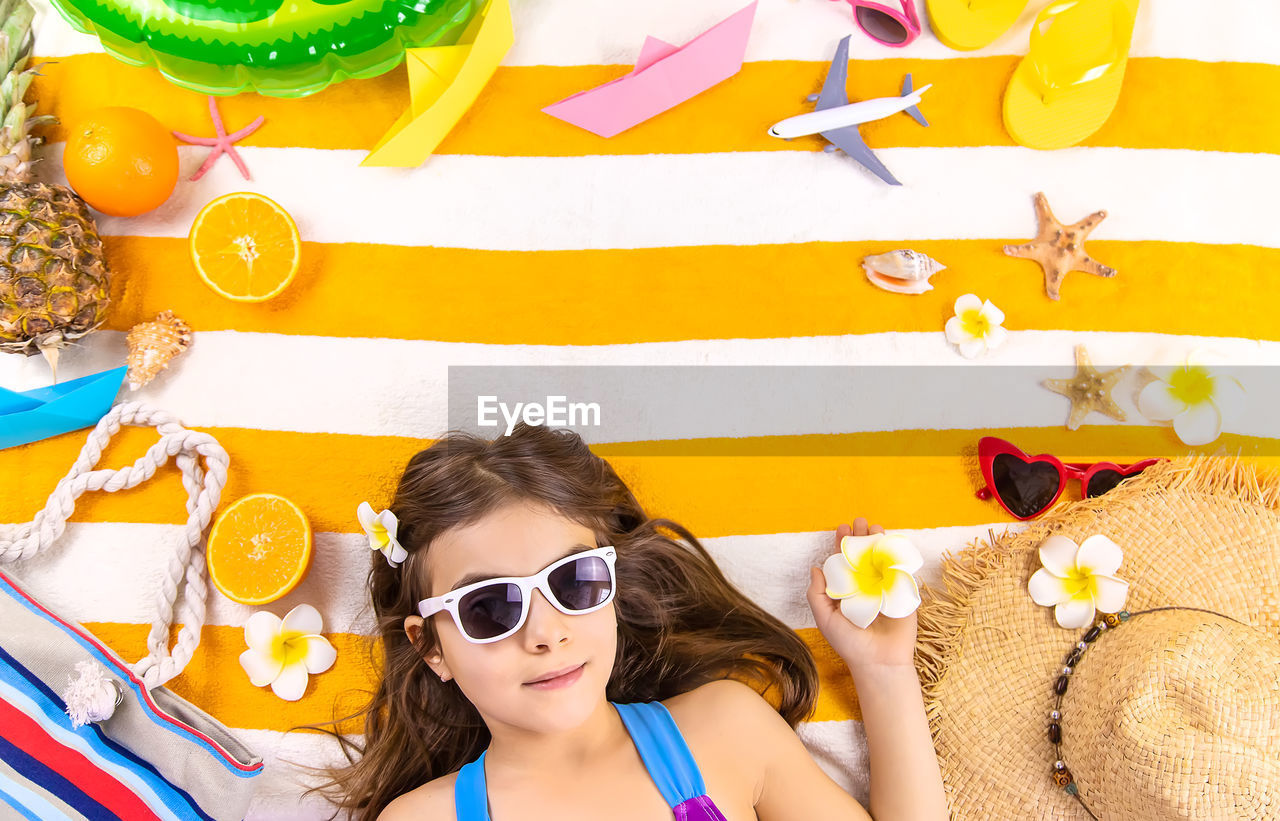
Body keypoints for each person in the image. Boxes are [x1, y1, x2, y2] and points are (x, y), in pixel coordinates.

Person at [314, 423, 947, 820]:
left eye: (574, 582)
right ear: (432, 650)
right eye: (490, 608)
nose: (545, 632)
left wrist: (884, 671)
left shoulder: (724, 730)